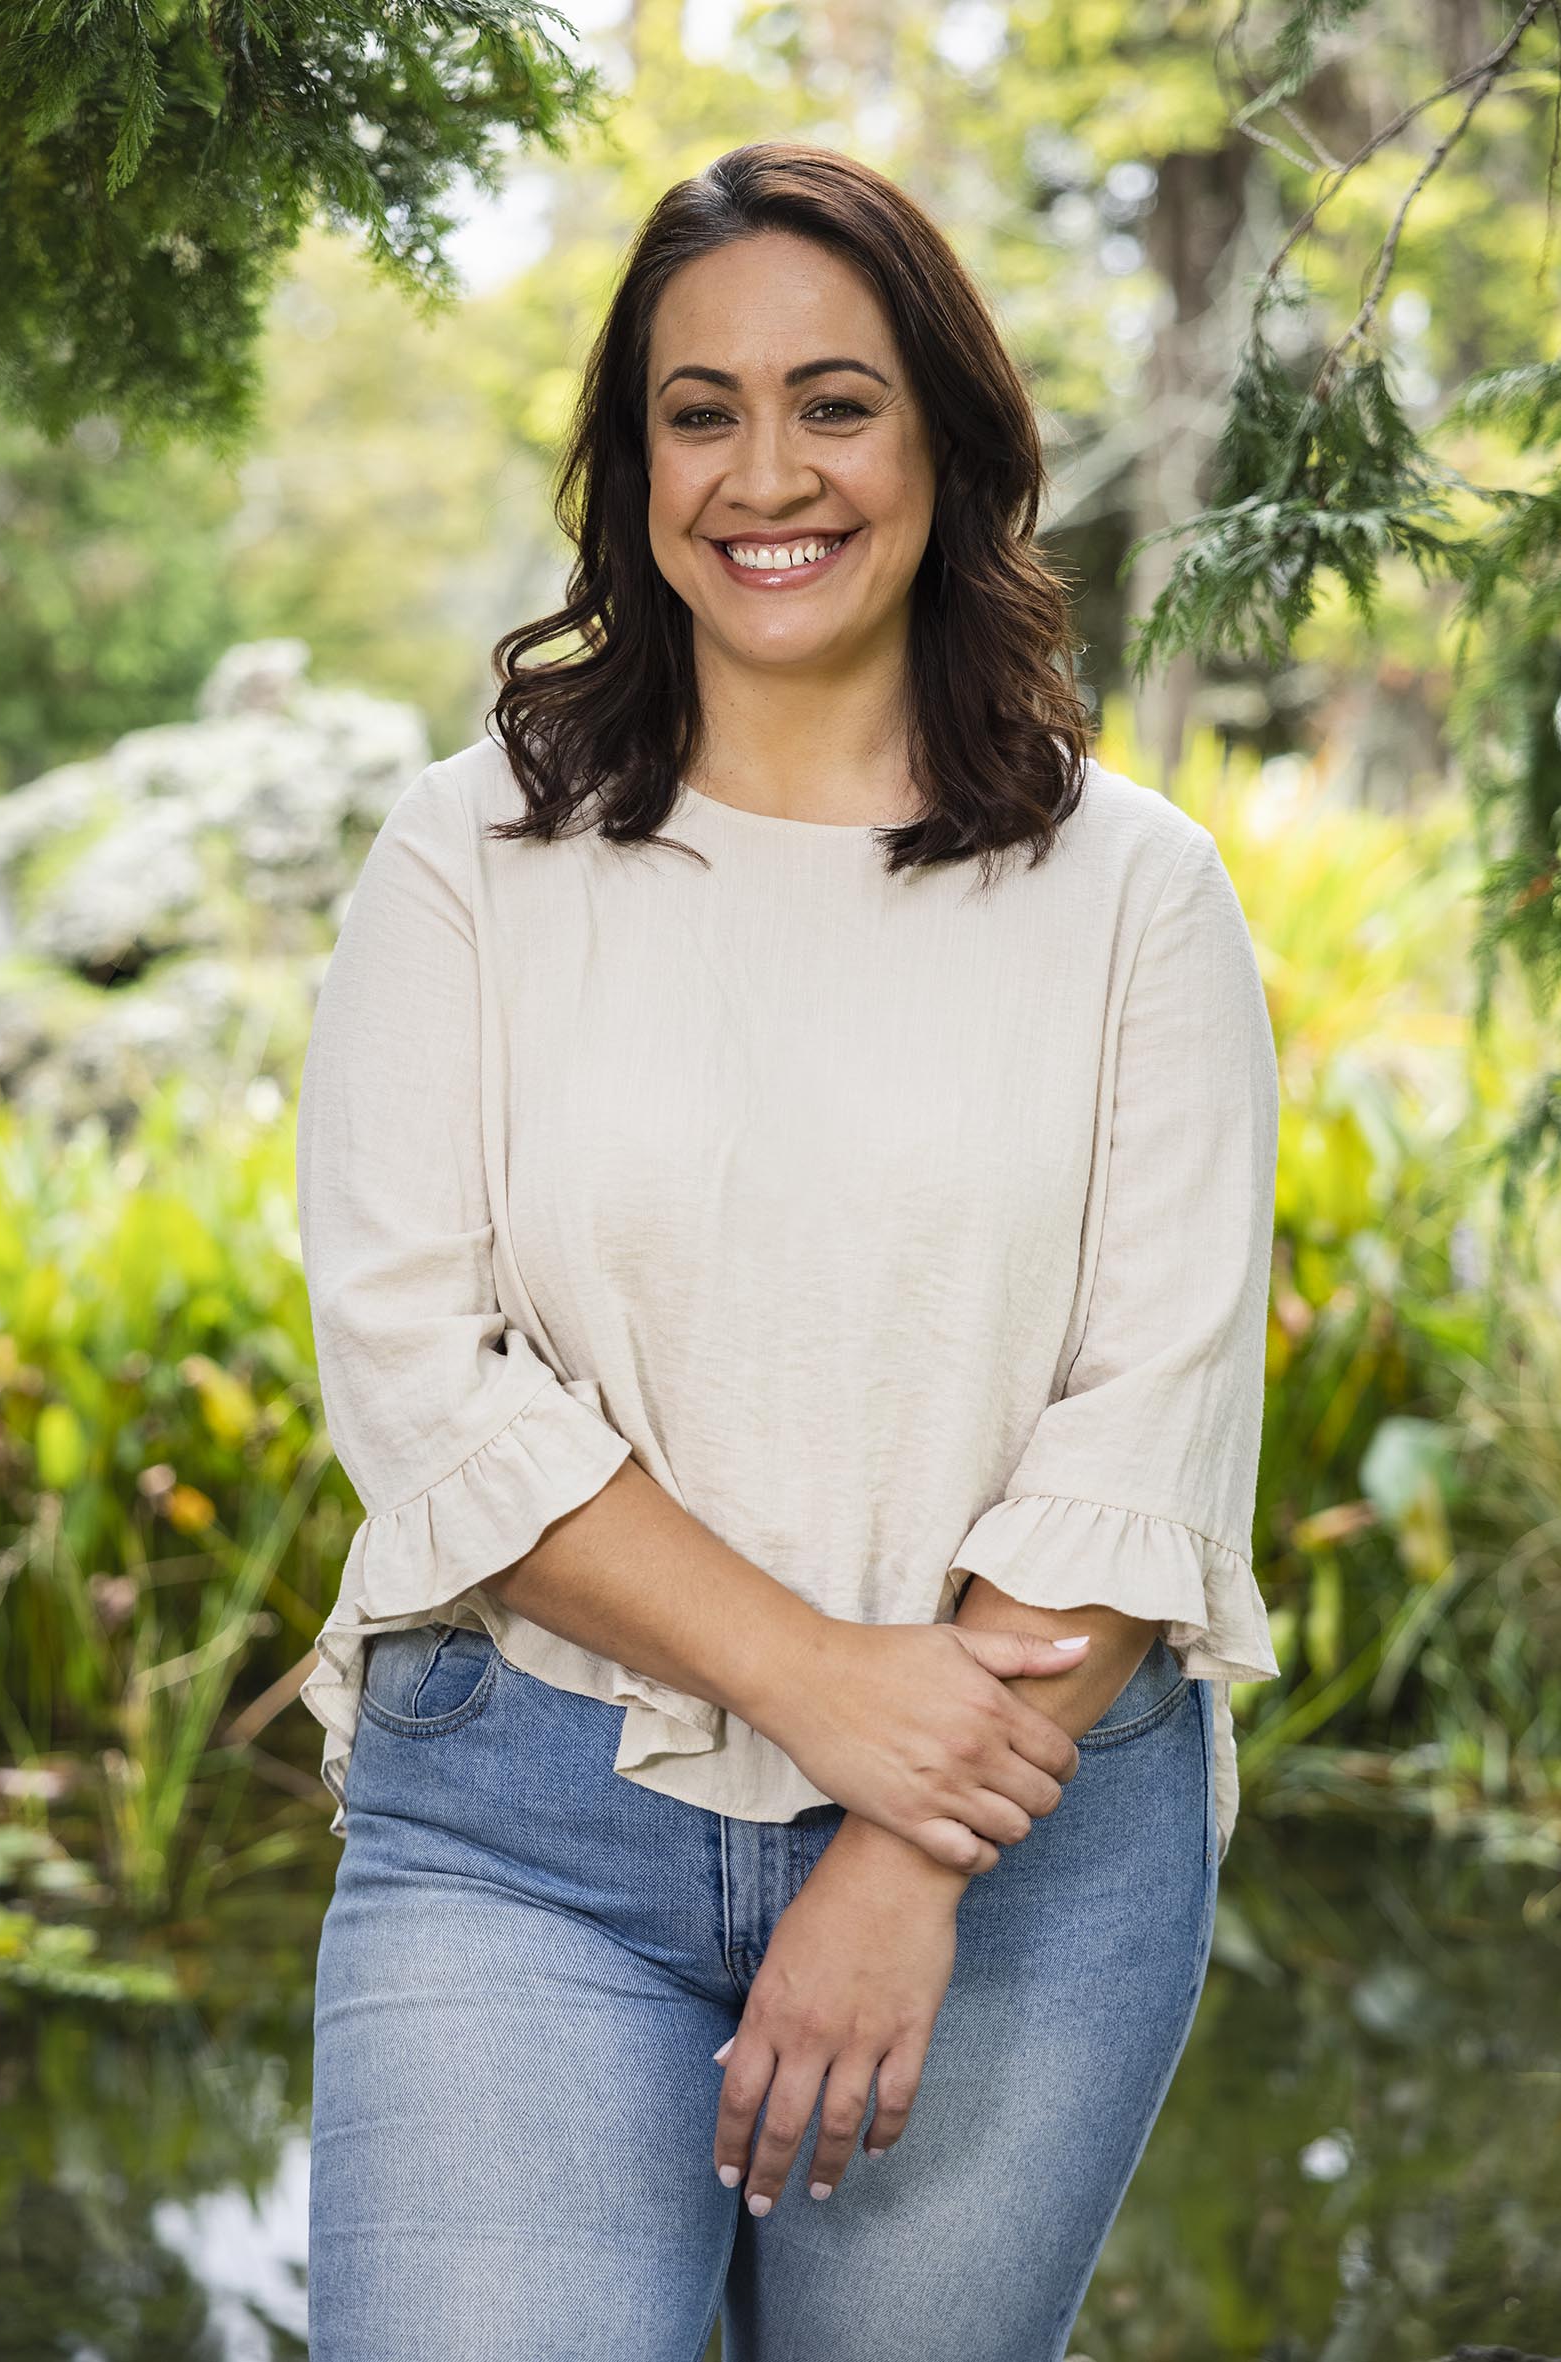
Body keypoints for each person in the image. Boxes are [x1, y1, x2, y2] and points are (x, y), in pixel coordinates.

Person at [297, 140, 1282, 2362]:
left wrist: (905, 1836)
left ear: (943, 436)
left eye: (834, 402)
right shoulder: (465, 858)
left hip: (1021, 1856)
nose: (767, 472)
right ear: (628, 458)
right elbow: (418, 1368)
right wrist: (827, 1691)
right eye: (697, 406)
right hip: (527, 1823)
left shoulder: (1131, 893)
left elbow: (1150, 1410)